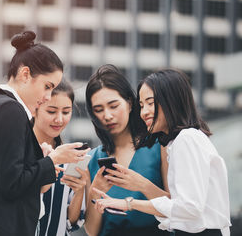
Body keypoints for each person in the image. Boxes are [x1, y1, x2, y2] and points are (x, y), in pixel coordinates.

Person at [0, 31, 90, 236]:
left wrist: (39, 160)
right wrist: (53, 160)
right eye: (47, 86)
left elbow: (6, 177)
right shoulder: (10, 111)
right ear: (25, 74)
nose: (47, 96)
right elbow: (13, 184)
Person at [93, 69, 231, 236]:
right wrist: (140, 186)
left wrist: (129, 203)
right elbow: (180, 208)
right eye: (142, 105)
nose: (144, 113)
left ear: (171, 101)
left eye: (150, 103)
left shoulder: (186, 139)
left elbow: (189, 208)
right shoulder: (180, 141)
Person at [83, 64, 171, 236]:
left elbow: (175, 207)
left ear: (130, 104)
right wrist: (94, 192)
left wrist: (141, 184)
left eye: (113, 106)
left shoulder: (159, 146)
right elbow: (92, 232)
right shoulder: (91, 159)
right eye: (98, 110)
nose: (107, 116)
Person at [33, 79, 89, 236]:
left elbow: (71, 222)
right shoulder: (21, 153)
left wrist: (79, 191)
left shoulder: (72, 158)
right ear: (35, 109)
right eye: (51, 111)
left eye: (66, 112)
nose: (59, 119)